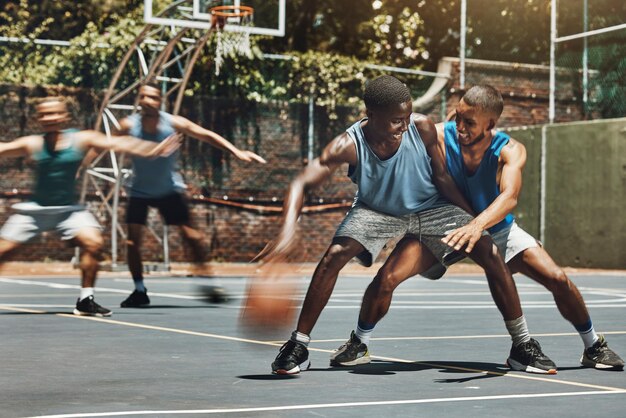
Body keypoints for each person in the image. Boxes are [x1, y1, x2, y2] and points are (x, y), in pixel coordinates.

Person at [256, 75, 555, 375]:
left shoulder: (421, 127)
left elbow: (442, 178)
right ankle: (299, 345)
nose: (405, 125)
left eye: (408, 116)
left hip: (430, 207)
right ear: (372, 116)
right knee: (335, 254)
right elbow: (299, 184)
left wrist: (472, 221)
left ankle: (522, 345)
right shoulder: (348, 145)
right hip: (377, 210)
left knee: (489, 252)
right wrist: (285, 234)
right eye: (397, 120)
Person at [332, 84, 623, 371]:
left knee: (557, 278)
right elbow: (387, 136)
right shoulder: (438, 135)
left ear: (490, 124)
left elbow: (509, 198)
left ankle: (592, 345)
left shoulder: (509, 150)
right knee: (387, 277)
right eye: (457, 116)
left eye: (469, 122)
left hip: (494, 228)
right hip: (443, 226)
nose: (459, 125)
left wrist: (476, 225)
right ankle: (359, 342)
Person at [0, 97, 181, 317]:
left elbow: (118, 143)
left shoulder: (82, 138)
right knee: (4, 252)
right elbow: (4, 148)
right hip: (36, 211)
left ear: (65, 116)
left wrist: (151, 149)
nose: (50, 118)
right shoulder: (32, 143)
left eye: (55, 113)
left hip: (68, 211)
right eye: (45, 114)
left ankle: (85, 300)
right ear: (38, 118)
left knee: (94, 243)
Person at [117, 83, 266, 308]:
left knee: (192, 237)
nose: (148, 101)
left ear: (160, 101)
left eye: (153, 97)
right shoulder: (128, 125)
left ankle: (209, 283)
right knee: (132, 241)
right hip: (139, 189)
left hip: (168, 189)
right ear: (139, 99)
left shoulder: (174, 123)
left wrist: (237, 151)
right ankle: (139, 290)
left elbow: (206, 135)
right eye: (144, 96)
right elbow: (105, 143)